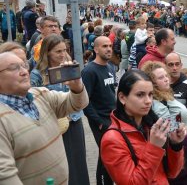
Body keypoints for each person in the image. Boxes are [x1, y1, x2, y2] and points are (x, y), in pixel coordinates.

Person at [0, 52, 88, 184]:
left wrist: (76, 87)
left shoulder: (40, 94)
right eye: (13, 68)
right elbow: (5, 175)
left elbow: (77, 104)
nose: (24, 72)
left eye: (24, 66)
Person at [100, 69, 185, 184]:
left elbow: (172, 173)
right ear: (122, 98)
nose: (148, 101)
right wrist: (154, 148)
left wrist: (176, 145)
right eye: (140, 95)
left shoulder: (151, 126)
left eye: (150, 95)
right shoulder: (113, 139)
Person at [29, 34, 89, 185]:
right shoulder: (37, 74)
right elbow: (33, 102)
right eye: (58, 51)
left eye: (64, 50)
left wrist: (76, 81)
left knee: (78, 161)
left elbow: (81, 96)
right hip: (54, 125)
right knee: (63, 164)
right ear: (47, 52)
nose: (63, 54)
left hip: (74, 120)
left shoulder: (68, 68)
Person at [81, 36, 117, 184]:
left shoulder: (110, 67)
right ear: (96, 49)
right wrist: (99, 122)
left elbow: (111, 93)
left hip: (113, 118)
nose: (108, 49)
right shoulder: (89, 71)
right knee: (106, 156)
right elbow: (84, 102)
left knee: (110, 156)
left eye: (110, 45)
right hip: (101, 122)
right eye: (104, 46)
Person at [141, 61, 187, 127]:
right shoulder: (154, 102)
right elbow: (169, 130)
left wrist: (182, 116)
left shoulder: (164, 95)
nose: (166, 79)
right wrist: (185, 130)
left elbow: (173, 118)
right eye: (161, 78)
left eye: (166, 76)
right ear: (151, 82)